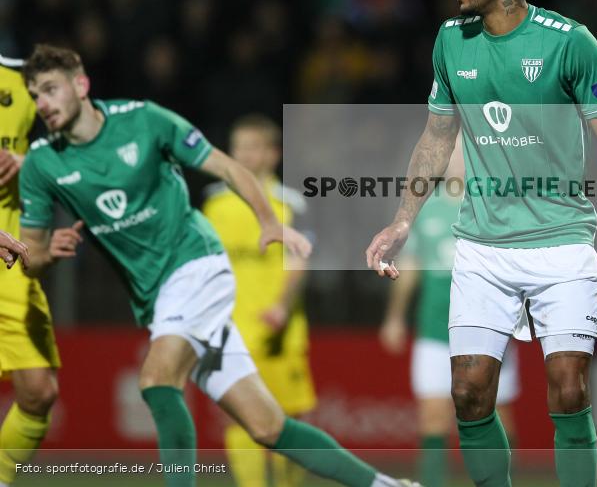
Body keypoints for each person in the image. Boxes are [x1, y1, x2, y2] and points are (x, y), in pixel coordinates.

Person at [17, 44, 420, 487]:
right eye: (35, 95)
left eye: (51, 90)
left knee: (156, 380)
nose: (43, 104)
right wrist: (46, 253)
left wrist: (268, 221)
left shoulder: (145, 120)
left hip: (196, 265)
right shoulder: (41, 163)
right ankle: (389, 486)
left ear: (81, 85)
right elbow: (31, 260)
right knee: (268, 426)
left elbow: (226, 167)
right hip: (155, 296)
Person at [366, 0, 597, 487]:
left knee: (568, 388)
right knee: (466, 393)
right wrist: (402, 220)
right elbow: (438, 137)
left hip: (562, 244)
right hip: (482, 248)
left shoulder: (569, 42)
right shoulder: (450, 40)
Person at [379, 138, 519, 487]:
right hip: (434, 328)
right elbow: (409, 266)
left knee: (497, 416)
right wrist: (395, 317)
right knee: (432, 418)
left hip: (489, 328)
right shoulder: (423, 208)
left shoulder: (499, 207)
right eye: (452, 150)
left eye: (465, 149)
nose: (458, 158)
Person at [202, 114, 316, 487]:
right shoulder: (213, 205)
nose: (244, 155)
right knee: (239, 418)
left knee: (290, 419)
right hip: (232, 331)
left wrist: (282, 305)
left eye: (253, 147)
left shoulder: (290, 203)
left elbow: (299, 261)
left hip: (279, 330)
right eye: (238, 148)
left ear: (273, 154)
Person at [0, 54, 61, 487]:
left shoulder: (22, 79)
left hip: (8, 262)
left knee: (39, 393)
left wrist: (31, 163)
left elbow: (80, 138)